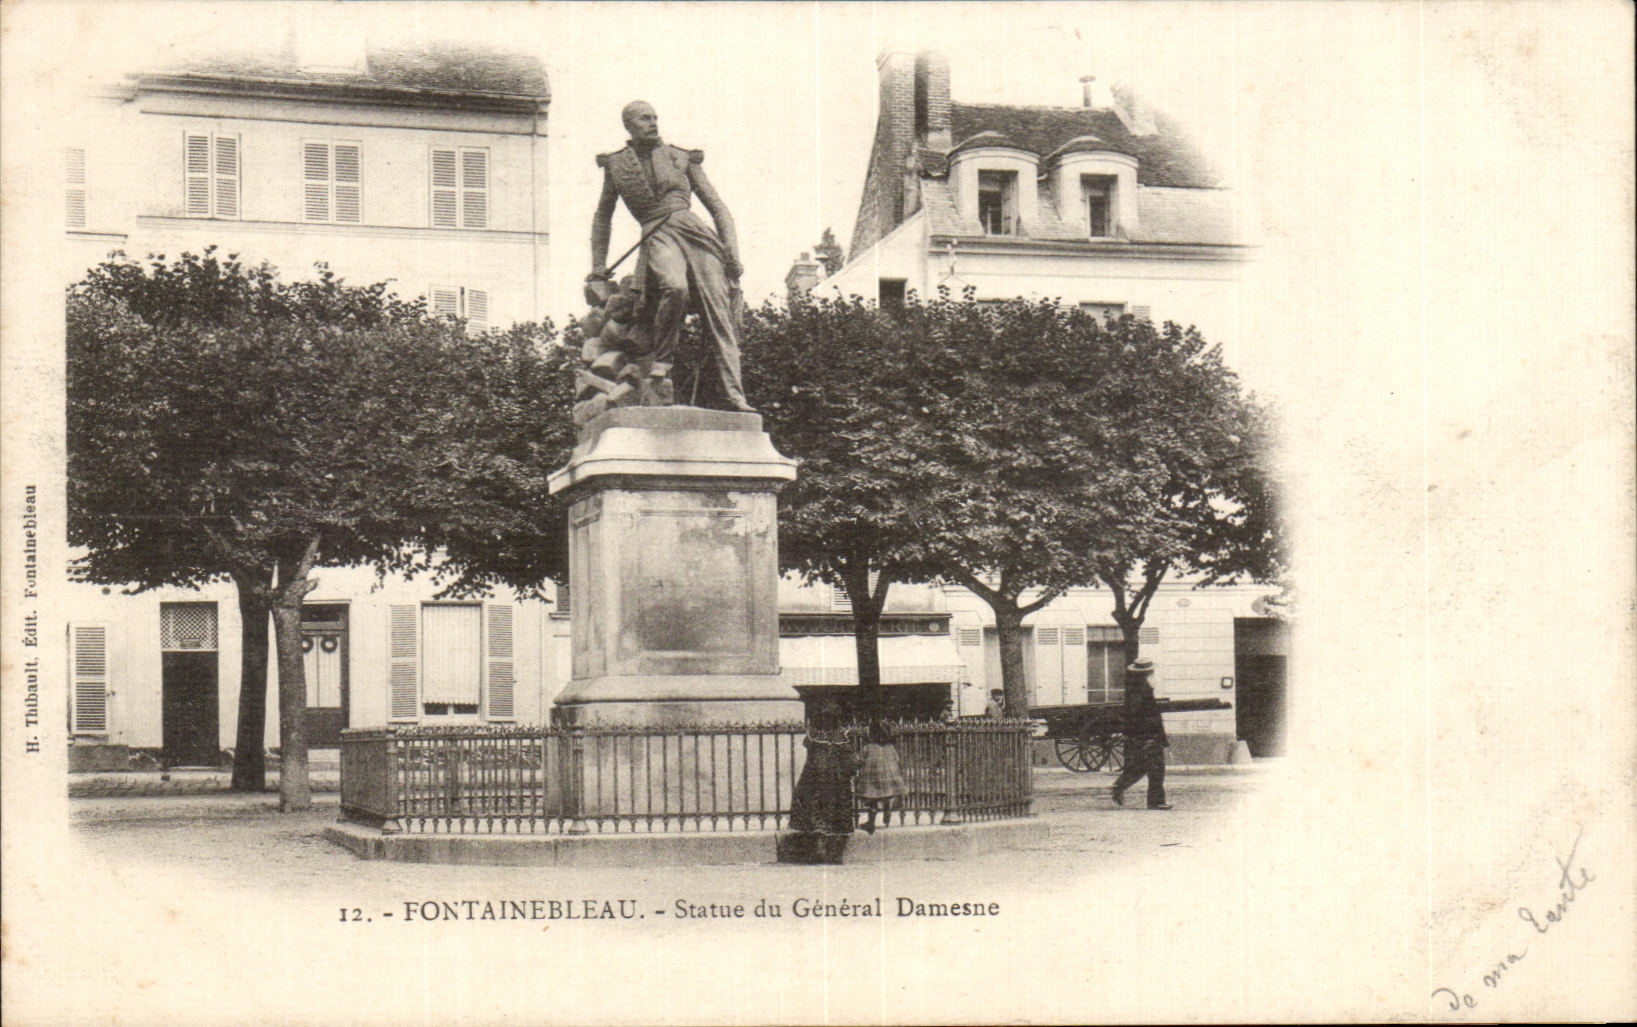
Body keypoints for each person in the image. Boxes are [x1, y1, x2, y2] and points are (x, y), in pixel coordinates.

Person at [588, 100, 753, 412]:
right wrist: (598, 265)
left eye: (655, 117)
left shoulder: (681, 157)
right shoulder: (616, 165)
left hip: (697, 235)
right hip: (656, 233)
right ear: (629, 125)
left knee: (719, 313)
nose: (653, 122)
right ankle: (662, 361)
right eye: (644, 118)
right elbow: (602, 218)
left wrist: (732, 253)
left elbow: (718, 208)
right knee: (675, 288)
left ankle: (735, 393)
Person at [784, 708, 859, 864]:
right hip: (837, 781)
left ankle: (819, 850)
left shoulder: (814, 736)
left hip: (816, 778)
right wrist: (851, 772)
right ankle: (835, 853)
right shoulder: (843, 736)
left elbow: (810, 755)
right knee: (837, 813)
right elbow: (849, 759)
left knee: (817, 813)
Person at [1110, 658, 1171, 810]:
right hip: (1147, 737)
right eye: (1151, 672)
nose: (1153, 674)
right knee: (1156, 769)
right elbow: (1141, 716)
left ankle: (1119, 787)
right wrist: (1151, 737)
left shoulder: (1137, 689)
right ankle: (1156, 802)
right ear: (1147, 673)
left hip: (1144, 736)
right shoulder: (1143, 690)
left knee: (1140, 768)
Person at [855, 720, 907, 834]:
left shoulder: (868, 747)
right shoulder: (890, 747)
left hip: (873, 778)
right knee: (887, 795)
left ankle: (871, 823)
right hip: (888, 777)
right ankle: (887, 811)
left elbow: (860, 760)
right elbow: (897, 760)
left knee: (872, 800)